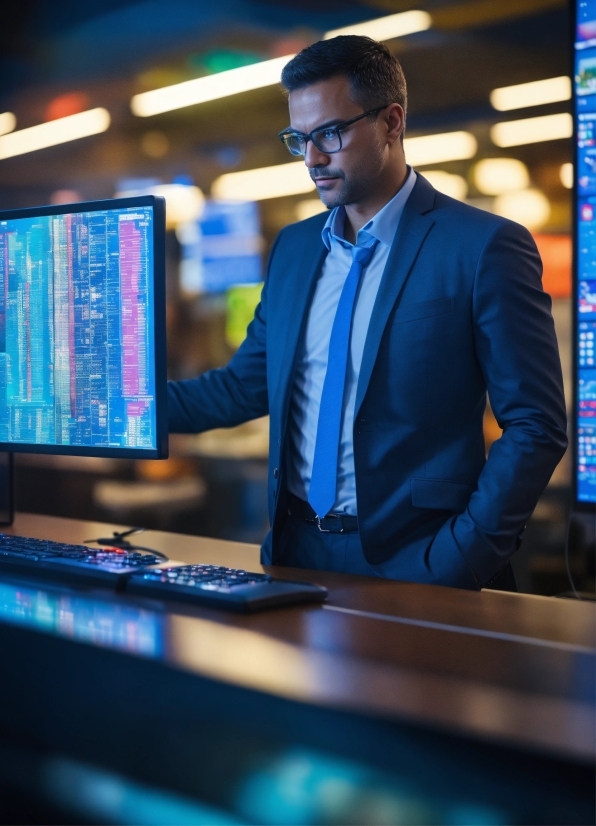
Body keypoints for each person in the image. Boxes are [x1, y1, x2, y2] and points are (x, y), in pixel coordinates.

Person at [168, 36, 567, 590]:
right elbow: (241, 387)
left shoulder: (482, 246)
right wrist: (114, 403)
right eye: (299, 139)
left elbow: (536, 423)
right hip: (294, 554)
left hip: (421, 560)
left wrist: (464, 553)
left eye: (329, 133)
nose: (312, 158)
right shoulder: (294, 250)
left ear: (391, 123)